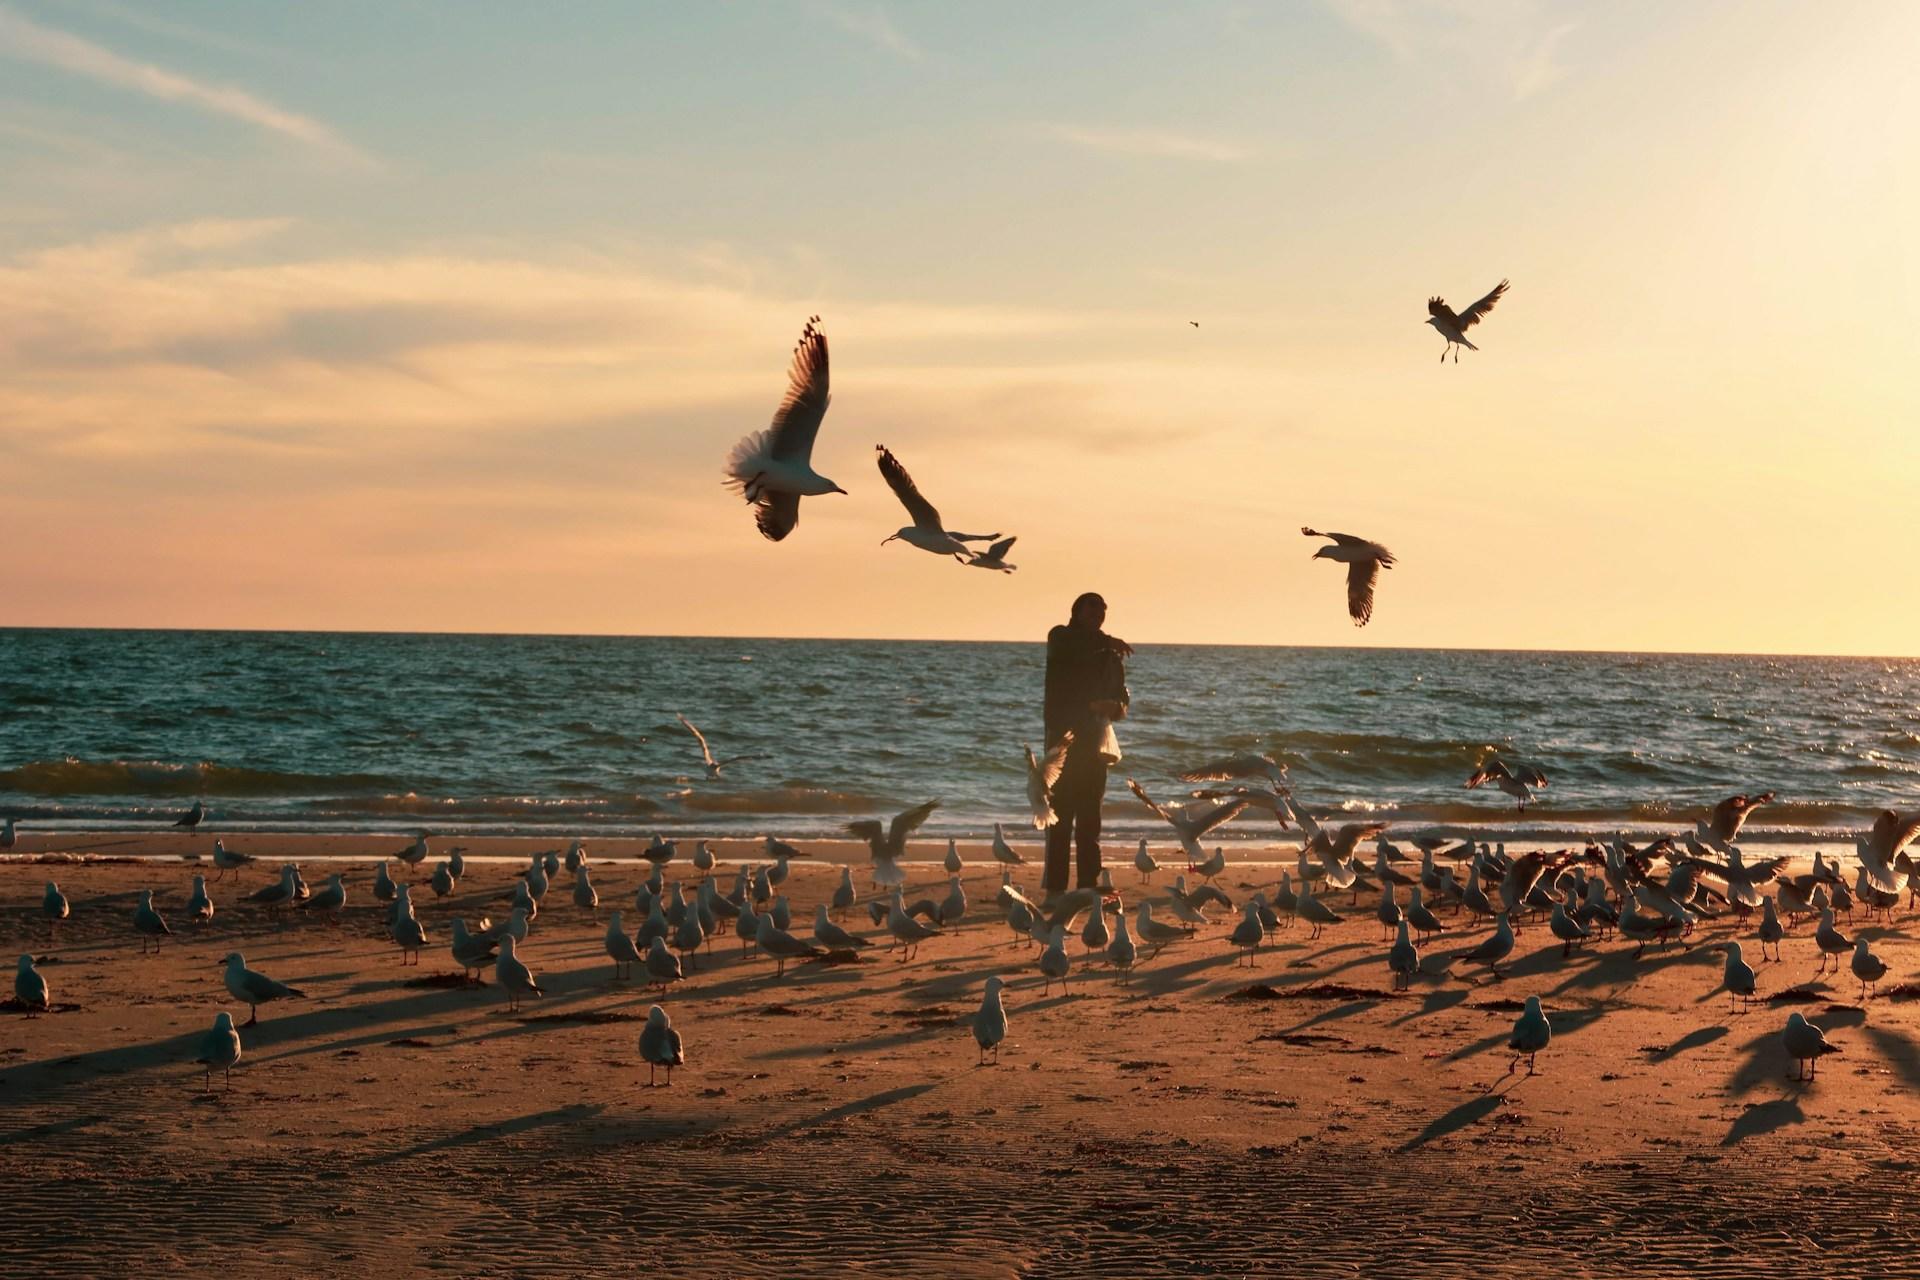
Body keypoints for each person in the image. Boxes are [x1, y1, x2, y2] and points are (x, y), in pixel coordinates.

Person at [1042, 592, 1131, 901]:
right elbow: (1074, 651)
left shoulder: (1110, 653)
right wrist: (1107, 642)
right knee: (1061, 816)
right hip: (1063, 741)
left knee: (1090, 819)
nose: (1096, 614)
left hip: (1095, 743)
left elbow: (1123, 697)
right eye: (1090, 609)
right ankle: (1054, 889)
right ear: (1077, 612)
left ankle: (1088, 886)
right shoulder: (1061, 637)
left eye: (1101, 610)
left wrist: (1115, 706)